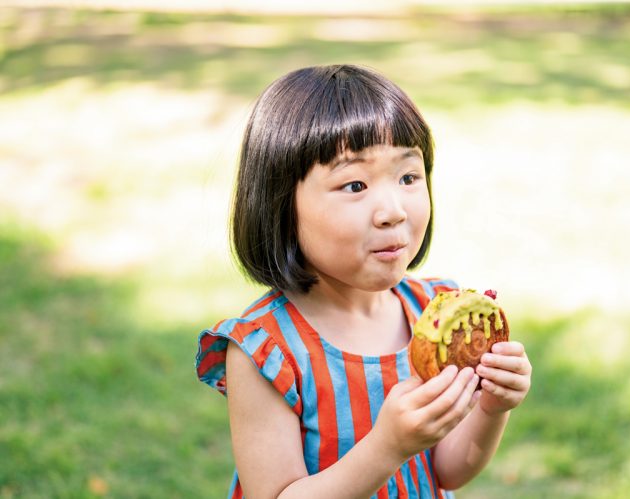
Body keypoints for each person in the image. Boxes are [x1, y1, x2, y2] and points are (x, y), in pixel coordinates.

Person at [195, 64, 532, 499]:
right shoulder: (265, 351)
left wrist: (492, 406)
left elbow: (446, 471)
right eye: (354, 184)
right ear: (280, 206)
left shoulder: (433, 309)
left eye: (408, 177)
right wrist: (387, 448)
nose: (392, 209)